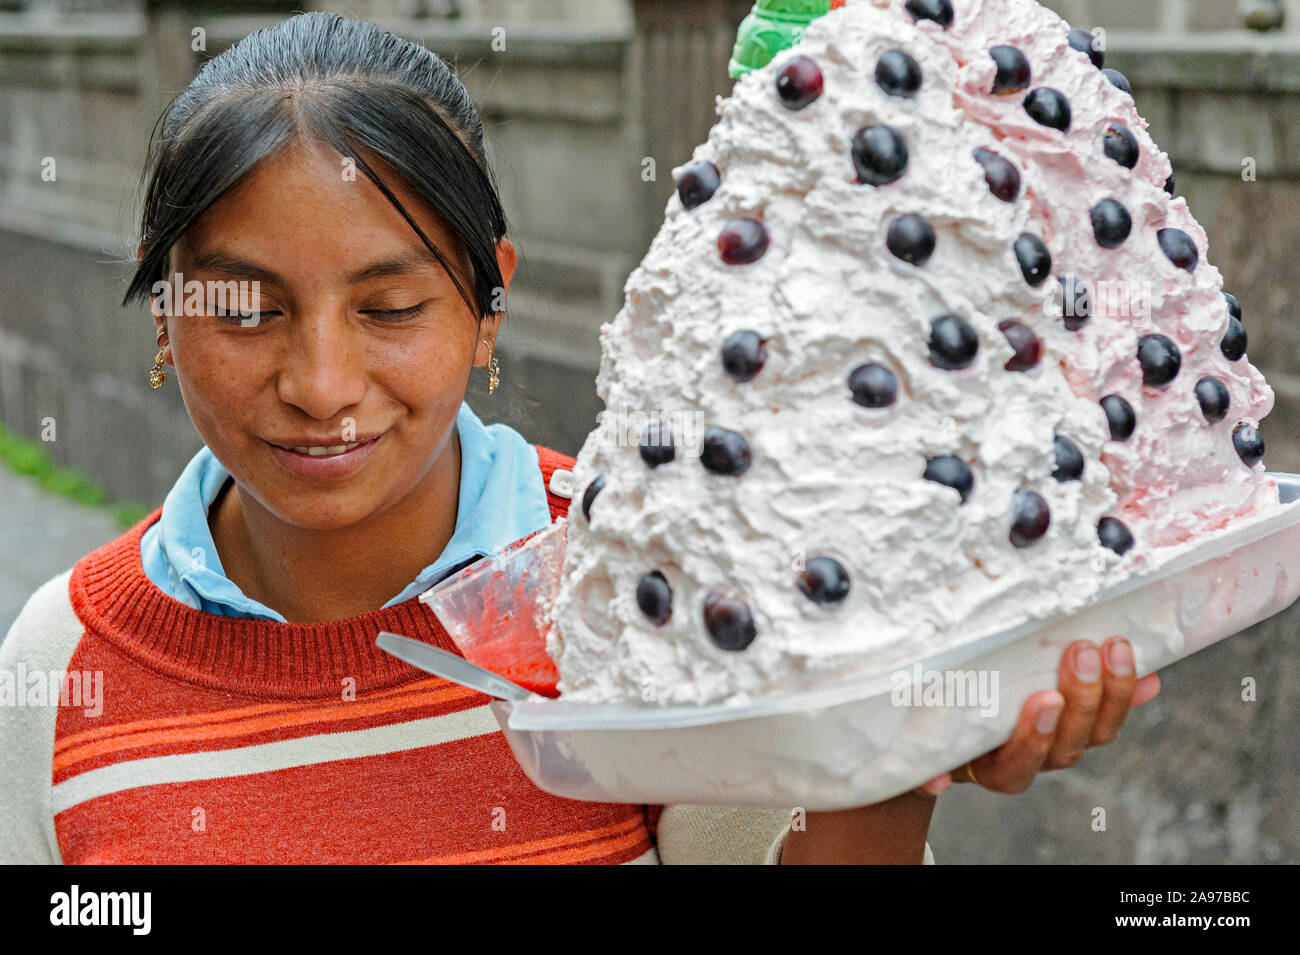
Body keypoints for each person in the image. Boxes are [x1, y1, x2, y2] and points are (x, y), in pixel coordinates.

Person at [0, 11, 1158, 865]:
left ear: (489, 307)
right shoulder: (59, 666)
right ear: (167, 317)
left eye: (391, 308)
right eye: (247, 310)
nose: (322, 382)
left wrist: (901, 763)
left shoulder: (649, 593)